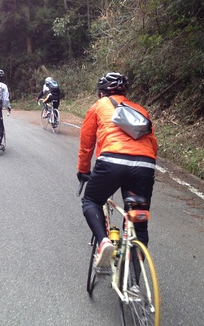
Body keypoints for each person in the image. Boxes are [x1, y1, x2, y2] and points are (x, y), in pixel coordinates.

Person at [77, 72, 158, 268]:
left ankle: (104, 242)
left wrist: (83, 170)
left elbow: (87, 142)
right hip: (145, 164)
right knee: (138, 221)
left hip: (112, 161)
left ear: (101, 93)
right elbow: (152, 143)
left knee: (91, 200)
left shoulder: (98, 107)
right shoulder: (140, 110)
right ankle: (135, 284)